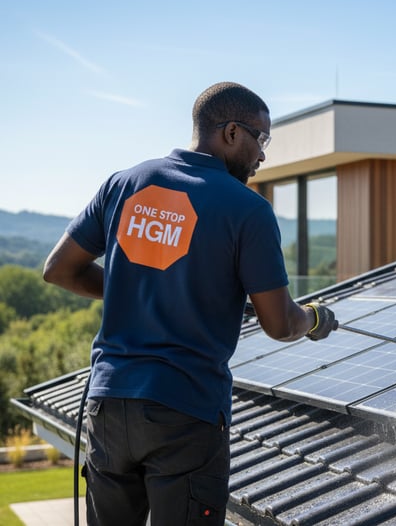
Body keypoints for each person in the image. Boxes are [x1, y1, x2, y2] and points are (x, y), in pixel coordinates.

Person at [42, 81, 337, 525]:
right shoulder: (248, 210)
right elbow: (278, 323)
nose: (263, 156)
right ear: (232, 132)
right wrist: (313, 319)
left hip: (108, 405)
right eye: (263, 138)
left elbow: (59, 269)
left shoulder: (123, 184)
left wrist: (141, 286)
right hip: (185, 410)